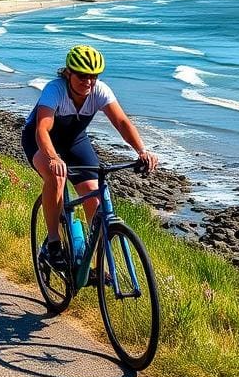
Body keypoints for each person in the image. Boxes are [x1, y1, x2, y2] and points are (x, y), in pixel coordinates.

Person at [22, 44, 159, 273]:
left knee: (93, 196)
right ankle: (53, 243)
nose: (88, 82)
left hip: (75, 141)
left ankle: (94, 264)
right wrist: (53, 158)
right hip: (40, 140)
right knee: (56, 179)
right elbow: (42, 130)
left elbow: (122, 123)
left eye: (93, 76)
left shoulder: (100, 91)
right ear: (68, 73)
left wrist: (141, 151)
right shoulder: (54, 90)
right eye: (82, 76)